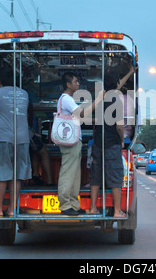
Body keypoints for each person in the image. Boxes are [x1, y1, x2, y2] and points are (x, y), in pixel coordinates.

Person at [0, 73, 31, 218]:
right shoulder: (24, 94)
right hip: (23, 138)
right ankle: (12, 210)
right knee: (17, 176)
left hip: (3, 138)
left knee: (3, 175)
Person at [57, 72, 104, 216]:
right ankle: (65, 205)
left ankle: (74, 204)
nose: (78, 84)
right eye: (76, 82)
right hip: (70, 141)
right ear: (68, 84)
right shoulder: (66, 99)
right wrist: (98, 101)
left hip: (73, 140)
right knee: (68, 173)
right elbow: (82, 114)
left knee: (75, 173)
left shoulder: (68, 99)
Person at [89, 71, 126, 218]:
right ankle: (117, 211)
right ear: (117, 85)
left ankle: (93, 208)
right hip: (112, 144)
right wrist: (122, 139)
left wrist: (129, 72)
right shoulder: (116, 102)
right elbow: (119, 126)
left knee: (96, 176)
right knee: (115, 178)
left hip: (98, 143)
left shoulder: (99, 101)